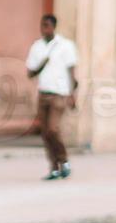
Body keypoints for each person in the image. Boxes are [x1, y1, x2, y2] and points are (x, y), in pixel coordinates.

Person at [26, 13, 77, 181]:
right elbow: (30, 73)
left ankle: (64, 160)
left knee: (53, 129)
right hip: (43, 92)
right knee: (45, 132)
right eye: (42, 25)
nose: (44, 29)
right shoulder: (37, 47)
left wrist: (72, 94)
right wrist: (42, 64)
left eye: (47, 25)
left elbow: (71, 72)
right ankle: (54, 167)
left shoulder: (65, 45)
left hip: (59, 93)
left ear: (53, 26)